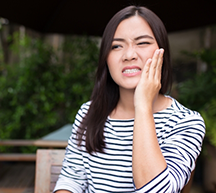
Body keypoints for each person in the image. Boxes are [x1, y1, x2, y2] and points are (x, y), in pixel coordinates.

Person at [54, 5, 205, 193]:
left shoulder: (186, 122)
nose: (129, 55)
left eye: (142, 43)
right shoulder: (89, 112)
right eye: (116, 46)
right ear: (106, 58)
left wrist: (142, 105)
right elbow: (71, 181)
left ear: (162, 52)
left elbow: (156, 190)